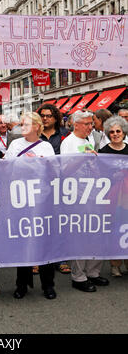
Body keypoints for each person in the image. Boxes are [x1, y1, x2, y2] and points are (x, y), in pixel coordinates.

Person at [4, 112, 57, 300]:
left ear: (36, 126)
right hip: (20, 201)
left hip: (41, 201)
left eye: (26, 124)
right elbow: (5, 169)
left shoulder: (47, 147)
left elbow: (54, 171)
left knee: (44, 244)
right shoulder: (15, 145)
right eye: (21, 124)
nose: (22, 126)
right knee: (23, 243)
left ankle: (48, 284)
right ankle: (22, 284)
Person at [60, 110, 109, 292]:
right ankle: (78, 276)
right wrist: (83, 159)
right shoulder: (68, 143)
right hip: (77, 196)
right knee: (80, 235)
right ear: (76, 124)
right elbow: (65, 170)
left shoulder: (89, 139)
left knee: (96, 231)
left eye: (91, 123)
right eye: (87, 124)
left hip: (94, 192)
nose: (91, 126)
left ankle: (93, 272)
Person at [37, 103, 71, 275]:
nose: (45, 118)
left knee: (59, 221)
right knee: (40, 221)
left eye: (49, 115)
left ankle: (60, 258)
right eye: (42, 115)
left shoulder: (65, 135)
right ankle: (38, 258)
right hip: (39, 186)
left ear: (55, 117)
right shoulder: (34, 136)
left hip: (60, 184)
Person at [98, 115, 128, 277]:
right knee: (115, 230)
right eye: (112, 132)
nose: (115, 134)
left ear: (123, 132)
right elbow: (100, 175)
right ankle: (115, 264)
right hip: (113, 198)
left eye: (118, 131)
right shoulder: (104, 152)